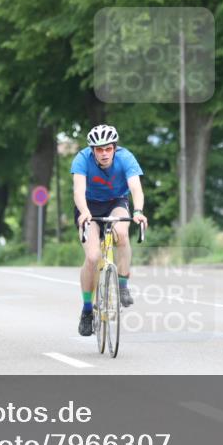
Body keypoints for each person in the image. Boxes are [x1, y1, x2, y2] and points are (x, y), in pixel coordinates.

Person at [71, 124, 148, 337]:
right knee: (93, 256)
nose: (104, 154)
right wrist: (84, 211)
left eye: (108, 148)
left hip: (116, 201)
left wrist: (139, 211)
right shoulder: (81, 159)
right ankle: (87, 310)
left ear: (114, 147)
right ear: (92, 150)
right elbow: (78, 190)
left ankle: (122, 284)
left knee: (122, 233)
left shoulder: (126, 158)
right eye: (99, 149)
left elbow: (135, 188)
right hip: (88, 206)